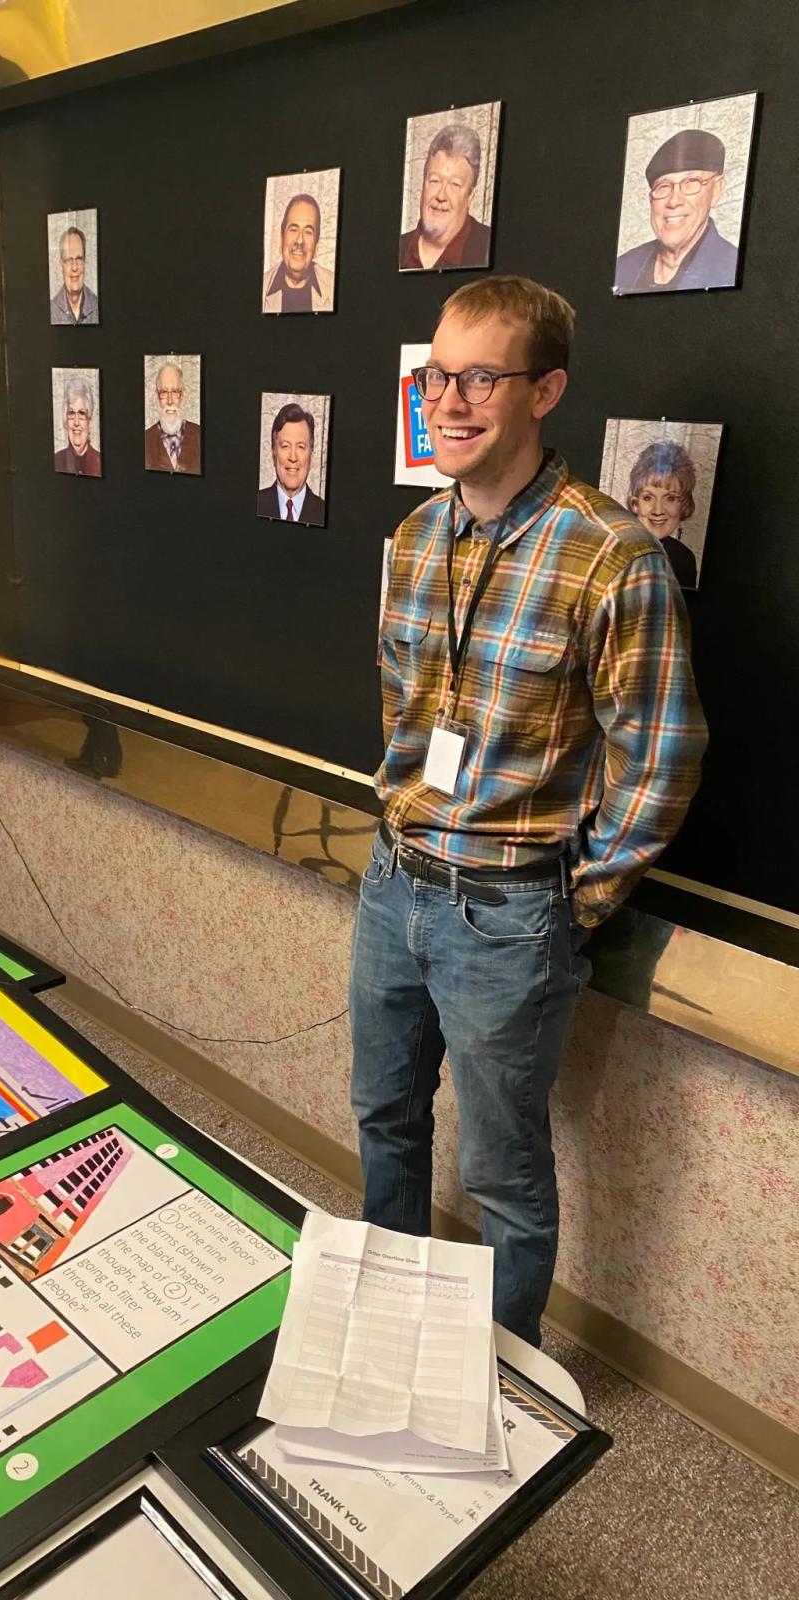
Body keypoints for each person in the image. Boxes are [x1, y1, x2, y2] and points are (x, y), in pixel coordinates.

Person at [352, 276, 706, 1347]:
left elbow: (665, 753)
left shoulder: (613, 559)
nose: (448, 402)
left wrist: (571, 899)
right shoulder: (414, 540)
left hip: (507, 913)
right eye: (435, 377)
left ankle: (498, 1373)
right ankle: (391, 1338)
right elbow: (401, 711)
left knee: (500, 1171)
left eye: (478, 378)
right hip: (394, 881)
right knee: (385, 1123)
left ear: (544, 388)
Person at [614, 128, 738, 293]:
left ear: (716, 190)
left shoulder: (732, 268)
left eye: (691, 182)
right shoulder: (623, 268)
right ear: (651, 199)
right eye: (663, 186)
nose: (673, 201)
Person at [399, 124, 492, 271]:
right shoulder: (396, 247)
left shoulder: (487, 247)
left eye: (455, 185)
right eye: (435, 181)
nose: (441, 196)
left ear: (470, 195)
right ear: (423, 184)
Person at [626, 439, 700, 588]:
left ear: (683, 504)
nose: (658, 510)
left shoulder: (684, 558)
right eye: (648, 498)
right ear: (635, 503)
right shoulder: (616, 548)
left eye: (670, 498)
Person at [262, 192, 335, 313]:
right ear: (282, 237)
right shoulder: (261, 288)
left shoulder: (333, 287)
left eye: (308, 232)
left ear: (316, 244)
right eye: (293, 229)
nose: (300, 240)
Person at [256, 401, 326, 524]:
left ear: (311, 454)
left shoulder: (324, 511)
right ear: (273, 452)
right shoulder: (255, 502)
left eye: (300, 446)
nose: (293, 457)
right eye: (285, 446)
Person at [144, 361, 201, 474]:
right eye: (164, 392)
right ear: (156, 396)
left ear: (183, 395)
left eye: (175, 392)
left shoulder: (200, 435)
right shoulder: (145, 439)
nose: (170, 401)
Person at [53, 373, 102, 476]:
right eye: (71, 413)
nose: (76, 422)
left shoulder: (99, 461)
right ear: (65, 420)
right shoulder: (57, 460)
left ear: (90, 421)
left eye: (82, 413)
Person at [50, 226, 99, 325]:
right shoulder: (51, 311)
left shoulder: (98, 307)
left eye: (79, 259)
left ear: (85, 262)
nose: (74, 267)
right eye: (69, 260)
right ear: (61, 265)